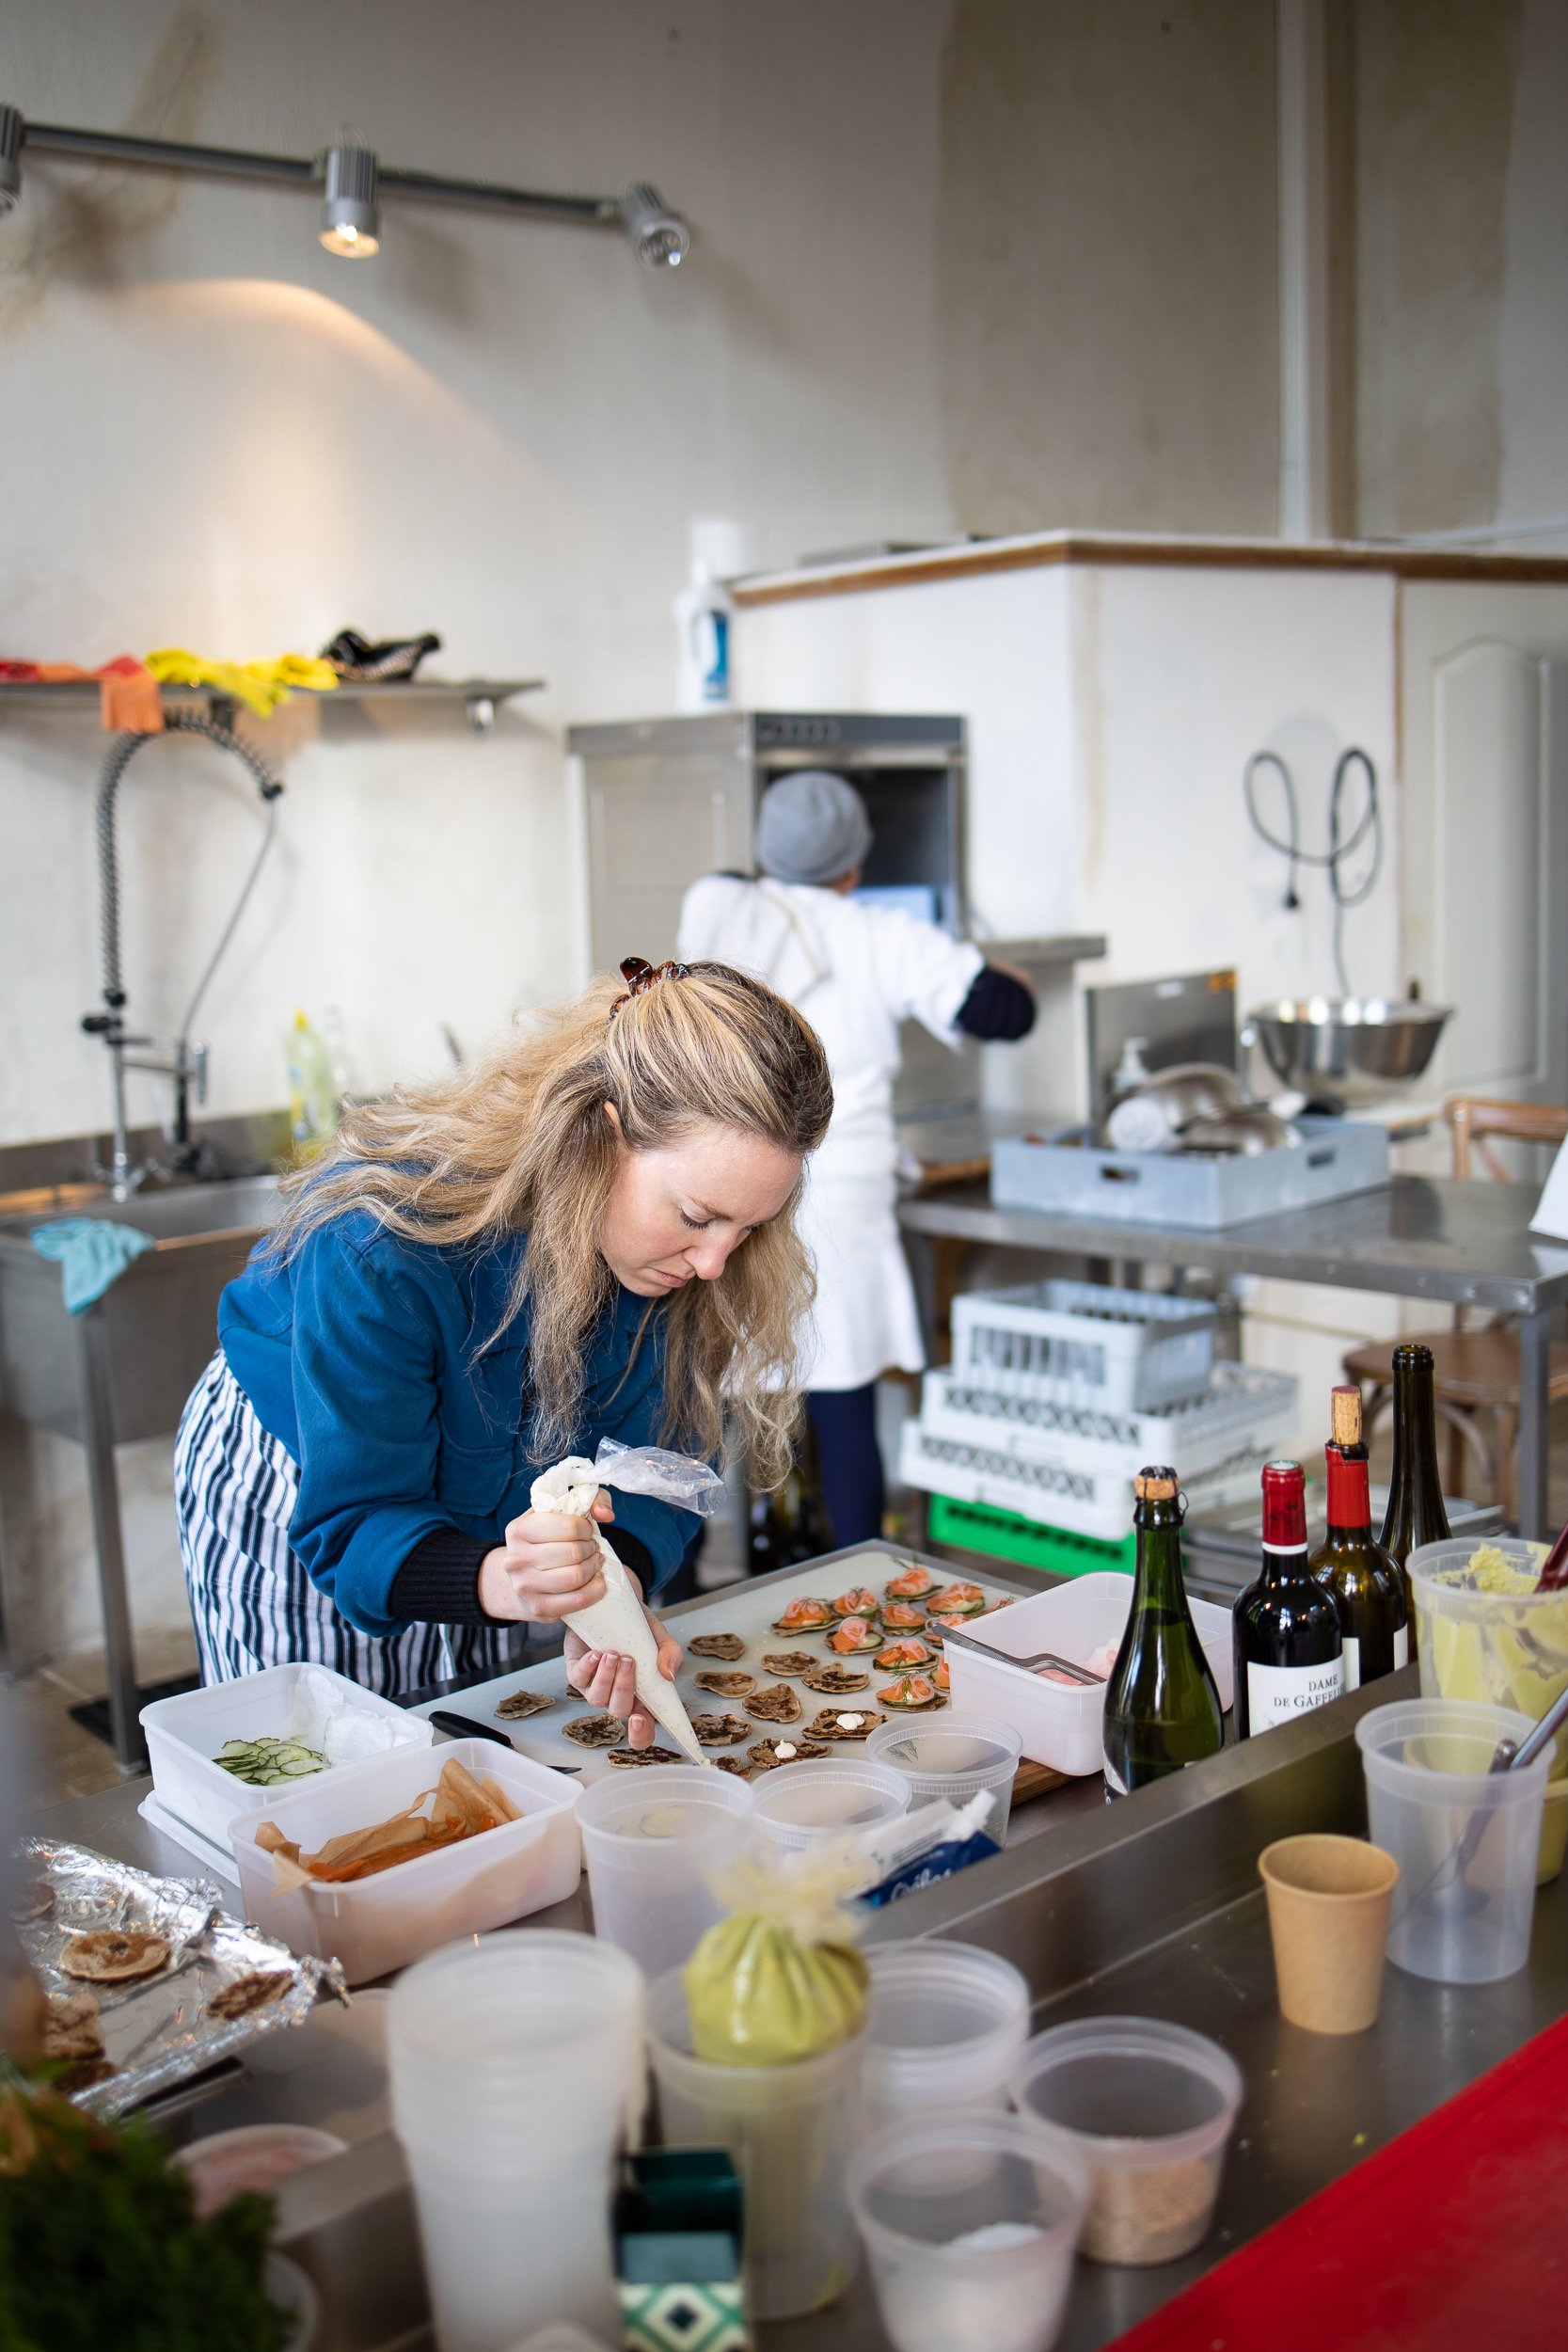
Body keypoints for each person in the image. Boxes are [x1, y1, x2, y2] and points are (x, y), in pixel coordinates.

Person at [174, 958, 832, 1740]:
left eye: (749, 1227)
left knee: (448, 1750)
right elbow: (358, 1519)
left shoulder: (686, 1265)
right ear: (602, 1132)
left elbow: (658, 1459)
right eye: (695, 1215)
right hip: (312, 1468)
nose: (716, 1262)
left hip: (486, 1478)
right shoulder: (385, 1237)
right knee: (323, 1763)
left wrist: (606, 1581)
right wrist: (507, 1582)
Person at [678, 770, 1037, 1546]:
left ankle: (679, 1601)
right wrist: (1007, 974)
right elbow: (1006, 1011)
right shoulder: (884, 934)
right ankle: (856, 1583)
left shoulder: (714, 907)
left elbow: (731, 876)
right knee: (843, 1405)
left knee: (707, 1407)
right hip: (840, 1194)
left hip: (727, 1192)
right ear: (854, 866)